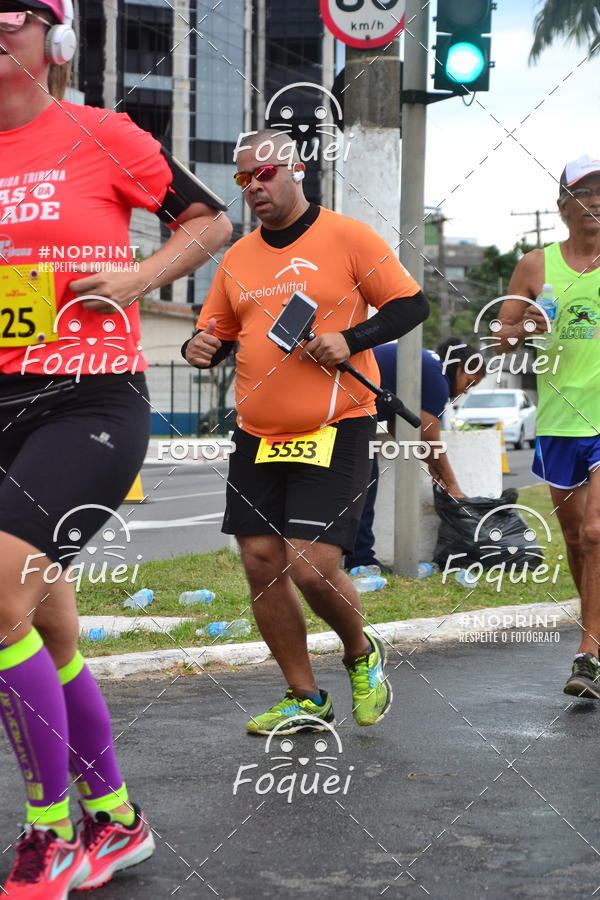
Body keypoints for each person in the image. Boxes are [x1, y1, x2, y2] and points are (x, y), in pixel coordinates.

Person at [0, 1, 232, 895]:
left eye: (15, 12)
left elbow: (209, 220)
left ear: (55, 39)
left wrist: (138, 278)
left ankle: (50, 836)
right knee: (43, 625)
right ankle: (119, 819)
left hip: (88, 399)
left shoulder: (102, 134)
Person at [183, 129, 428, 735]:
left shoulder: (346, 236)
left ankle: (360, 653)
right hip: (258, 433)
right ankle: (304, 696)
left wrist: (351, 338)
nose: (253, 188)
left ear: (297, 170)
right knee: (261, 562)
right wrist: (199, 345)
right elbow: (214, 333)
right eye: (242, 180)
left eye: (263, 175)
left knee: (312, 566)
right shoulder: (237, 257)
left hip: (336, 424)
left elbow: (409, 305)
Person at [497, 154, 600, 699]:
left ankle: (589, 654)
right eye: (586, 193)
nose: (598, 202)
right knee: (577, 543)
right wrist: (524, 327)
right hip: (561, 421)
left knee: (596, 531)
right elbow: (500, 335)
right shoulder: (536, 266)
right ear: (564, 206)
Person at [346, 339, 485, 572]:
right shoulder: (437, 379)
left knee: (360, 484)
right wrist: (452, 485)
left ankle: (354, 557)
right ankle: (360, 560)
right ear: (460, 367)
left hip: (344, 407)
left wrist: (431, 463)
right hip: (347, 412)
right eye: (469, 382)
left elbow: (399, 429)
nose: (465, 391)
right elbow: (430, 439)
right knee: (364, 484)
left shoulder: (425, 364)